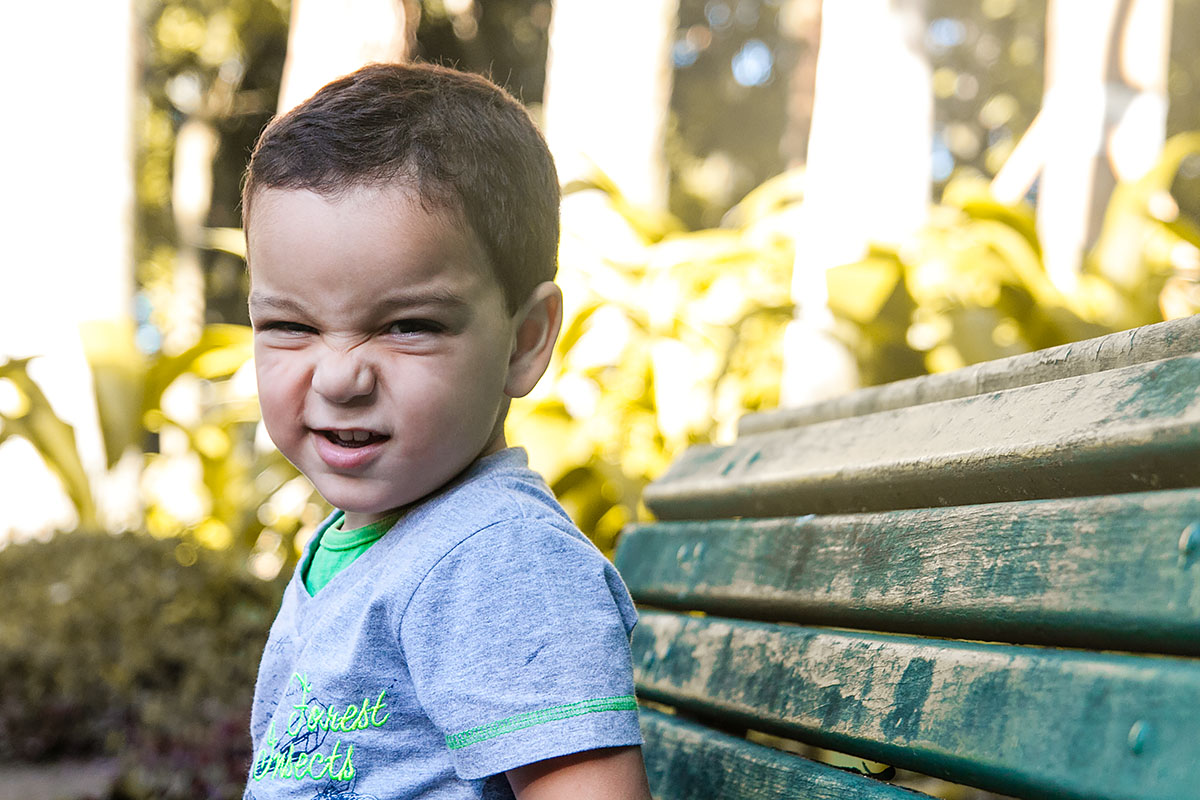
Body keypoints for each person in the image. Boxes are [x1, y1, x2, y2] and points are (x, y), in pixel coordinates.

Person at [240, 62, 652, 800]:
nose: (339, 377)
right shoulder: (375, 541)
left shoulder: (501, 557)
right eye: (291, 326)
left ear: (525, 341)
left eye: (407, 326)